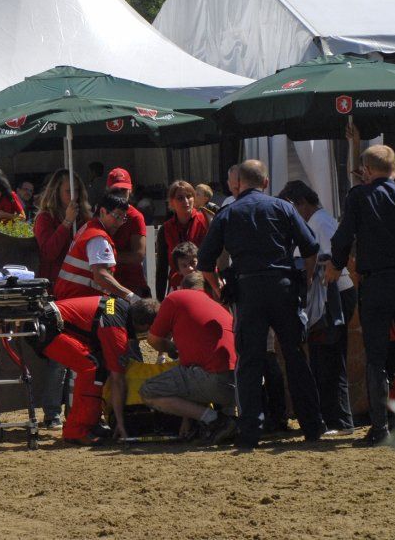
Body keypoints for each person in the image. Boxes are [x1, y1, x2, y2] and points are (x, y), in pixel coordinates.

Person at [197, 159, 325, 449]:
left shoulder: (228, 213)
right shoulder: (283, 207)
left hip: (248, 290)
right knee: (295, 357)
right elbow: (310, 248)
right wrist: (305, 279)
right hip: (283, 287)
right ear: (265, 182)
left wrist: (218, 288)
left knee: (249, 362)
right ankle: (312, 425)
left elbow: (205, 262)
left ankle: (250, 432)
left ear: (238, 183)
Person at [328, 145, 395, 446]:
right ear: (394, 166)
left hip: (376, 285)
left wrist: (336, 266)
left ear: (367, 170)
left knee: (376, 358)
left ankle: (379, 428)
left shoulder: (359, 198)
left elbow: (343, 238)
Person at [278, 180, 356, 436]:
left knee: (329, 358)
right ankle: (335, 419)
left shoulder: (319, 223)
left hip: (332, 298)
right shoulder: (318, 221)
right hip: (329, 297)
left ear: (301, 204)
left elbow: (333, 259)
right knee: (325, 359)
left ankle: (339, 421)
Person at [29, 294, 159, 444]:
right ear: (144, 325)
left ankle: (91, 423)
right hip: (46, 327)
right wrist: (121, 422)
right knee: (91, 367)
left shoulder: (123, 307)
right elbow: (118, 379)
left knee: (98, 366)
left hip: (48, 322)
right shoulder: (115, 328)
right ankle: (77, 431)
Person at [142, 272, 237, 444]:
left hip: (216, 381)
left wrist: (171, 348)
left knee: (149, 390)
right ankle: (225, 420)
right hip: (239, 385)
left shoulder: (176, 297)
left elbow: (153, 340)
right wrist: (187, 420)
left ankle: (215, 419)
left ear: (182, 287)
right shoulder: (219, 307)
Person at [33, 169, 92, 428]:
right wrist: (67, 223)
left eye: (76, 191)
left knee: (82, 354)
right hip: (55, 294)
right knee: (59, 355)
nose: (73, 196)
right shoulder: (45, 218)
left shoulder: (85, 218)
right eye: (68, 191)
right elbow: (48, 251)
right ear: (57, 192)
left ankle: (75, 407)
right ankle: (52, 411)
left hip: (80, 293)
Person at [55, 192, 140, 304]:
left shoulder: (89, 227)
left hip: (76, 299)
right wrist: (132, 297)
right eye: (117, 216)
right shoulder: (98, 238)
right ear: (102, 212)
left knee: (114, 310)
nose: (119, 223)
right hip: (81, 302)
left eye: (123, 218)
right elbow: (101, 276)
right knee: (115, 312)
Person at [156, 181, 209, 299]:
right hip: (177, 287)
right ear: (171, 202)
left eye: (189, 196)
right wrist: (159, 300)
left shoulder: (205, 222)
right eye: (180, 198)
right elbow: (162, 268)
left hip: (203, 285)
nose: (186, 201)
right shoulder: (166, 229)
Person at [106, 168, 149, 297]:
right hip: (108, 289)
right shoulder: (101, 213)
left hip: (132, 289)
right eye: (115, 191)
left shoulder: (135, 217)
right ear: (108, 191)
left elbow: (138, 255)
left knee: (138, 311)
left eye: (124, 190)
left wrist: (105, 258)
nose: (120, 194)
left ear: (130, 190)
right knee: (109, 309)